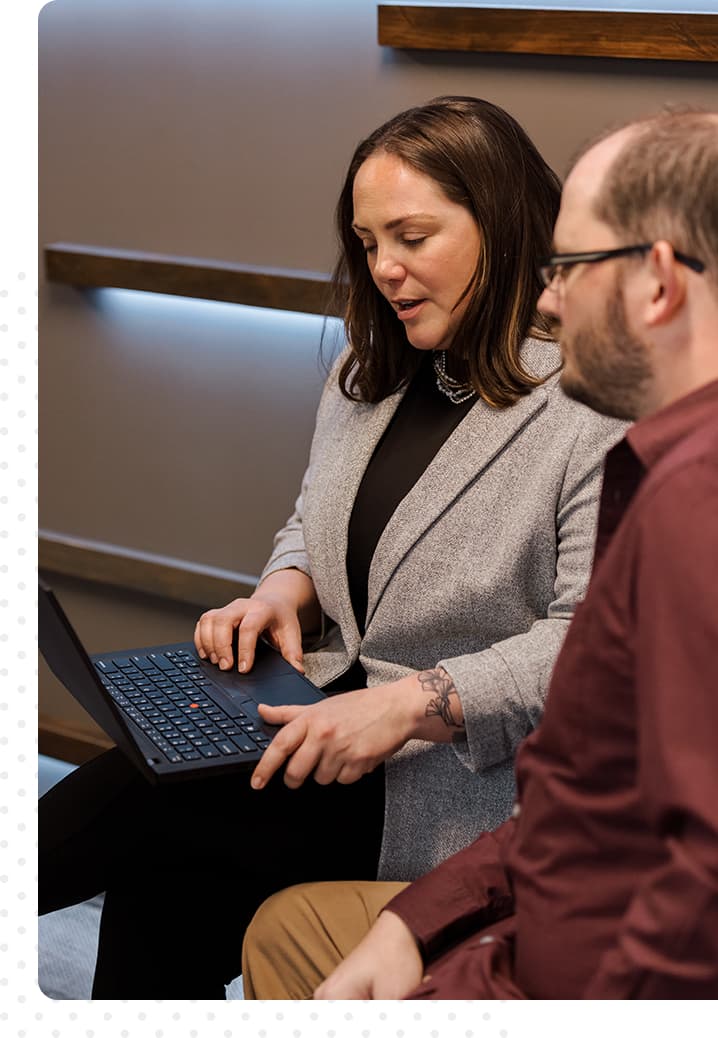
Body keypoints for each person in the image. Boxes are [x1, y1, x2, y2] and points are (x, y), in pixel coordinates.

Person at [39, 96, 623, 998]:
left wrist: (412, 705)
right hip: (309, 717)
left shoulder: (593, 409)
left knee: (137, 818)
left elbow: (591, 645)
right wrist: (283, 589)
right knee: (158, 882)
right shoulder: (372, 369)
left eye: (412, 236)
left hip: (444, 784)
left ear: (504, 225)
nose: (384, 269)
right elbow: (315, 519)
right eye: (366, 242)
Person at [240, 107, 718, 1000]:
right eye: (367, 241)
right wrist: (285, 584)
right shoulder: (668, 470)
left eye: (568, 269)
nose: (547, 297)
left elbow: (678, 895)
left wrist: (464, 970)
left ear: (657, 283)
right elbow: (578, 785)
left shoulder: (668, 479)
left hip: (474, 816)